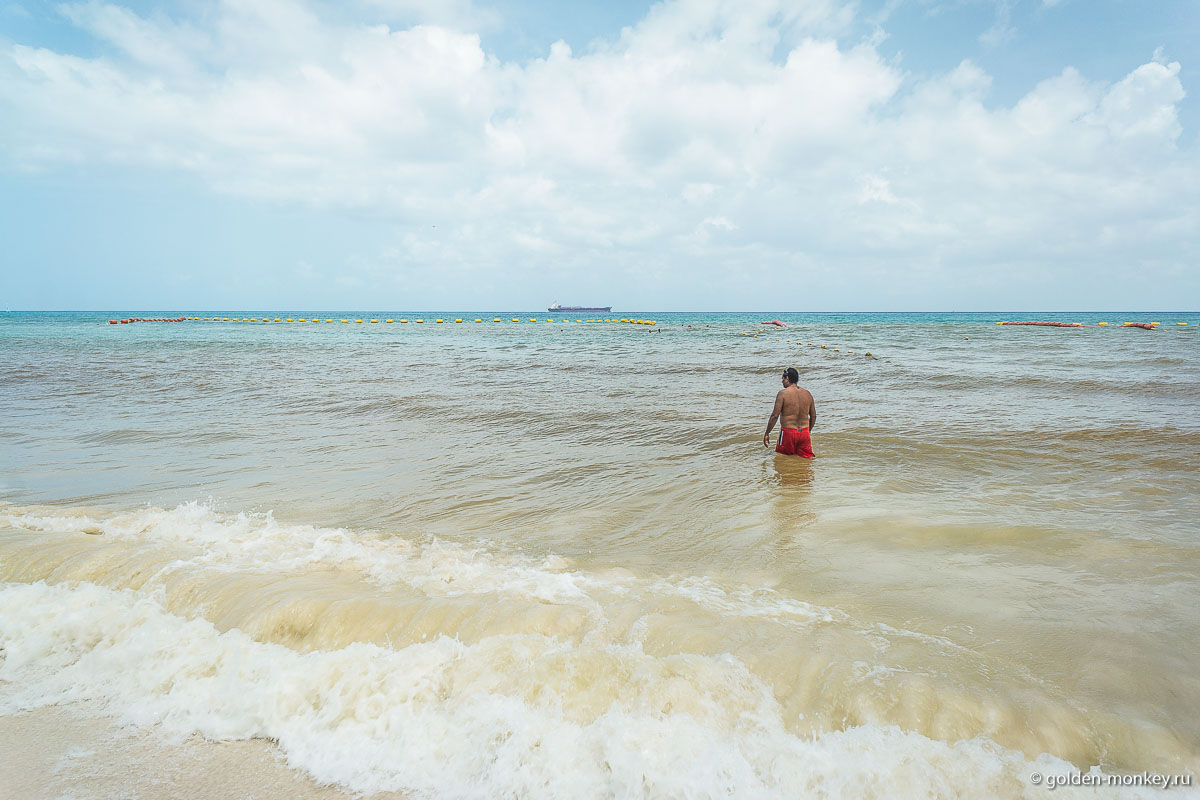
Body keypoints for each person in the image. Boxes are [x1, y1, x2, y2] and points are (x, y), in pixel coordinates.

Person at [763, 367, 815, 458]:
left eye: (783, 378)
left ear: (787, 378)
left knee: (782, 460)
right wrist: (808, 431)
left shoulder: (783, 394)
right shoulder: (807, 394)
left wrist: (767, 433)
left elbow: (774, 416)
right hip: (804, 432)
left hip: (788, 433)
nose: (782, 380)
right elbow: (813, 416)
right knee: (806, 462)